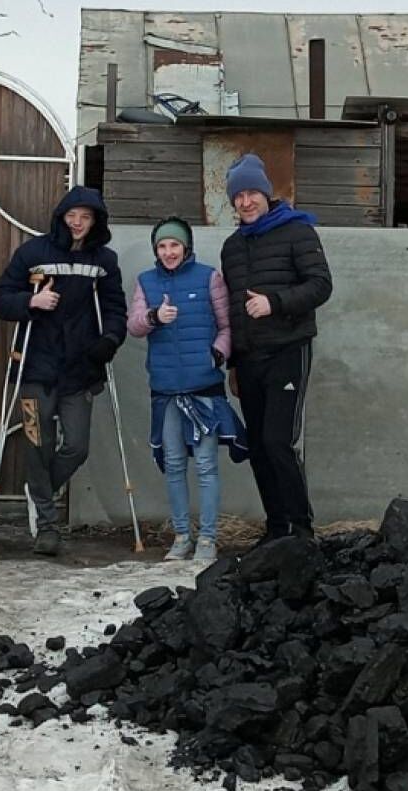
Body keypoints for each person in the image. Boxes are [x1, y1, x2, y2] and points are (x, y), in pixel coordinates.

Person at [0, 186, 126, 556]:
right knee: (38, 445)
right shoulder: (33, 253)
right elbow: (1, 299)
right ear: (61, 216)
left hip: (80, 369)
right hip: (36, 366)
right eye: (72, 216)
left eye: (86, 217)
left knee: (77, 446)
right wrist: (31, 301)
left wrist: (110, 339)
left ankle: (39, 493)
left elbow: (115, 307)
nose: (78, 223)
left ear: (95, 220)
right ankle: (47, 529)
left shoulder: (105, 260)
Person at [219, 153, 332, 544]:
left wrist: (275, 303)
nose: (246, 201)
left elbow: (321, 285)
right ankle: (275, 528)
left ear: (267, 194)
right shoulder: (232, 247)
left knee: (277, 441)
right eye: (239, 196)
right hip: (249, 359)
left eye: (252, 193)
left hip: (288, 350)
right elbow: (234, 307)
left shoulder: (298, 232)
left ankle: (300, 530)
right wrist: (233, 362)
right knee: (259, 447)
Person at [127, 217, 247, 562]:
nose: (168, 252)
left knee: (207, 465)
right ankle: (181, 536)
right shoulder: (146, 282)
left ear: (186, 247)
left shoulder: (209, 277)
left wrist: (217, 353)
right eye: (162, 246)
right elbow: (133, 326)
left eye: (174, 245)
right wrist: (153, 316)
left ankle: (207, 539)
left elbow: (228, 326)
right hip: (166, 391)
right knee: (175, 464)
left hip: (203, 389)